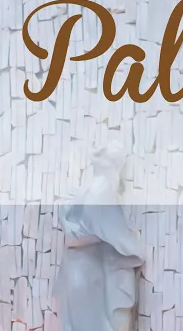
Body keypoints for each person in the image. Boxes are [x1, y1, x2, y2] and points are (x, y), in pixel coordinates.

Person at [56, 141, 144, 331]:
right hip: (89, 275)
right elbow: (117, 235)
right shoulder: (102, 193)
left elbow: (76, 230)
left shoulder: (84, 190)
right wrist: (135, 245)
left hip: (75, 271)